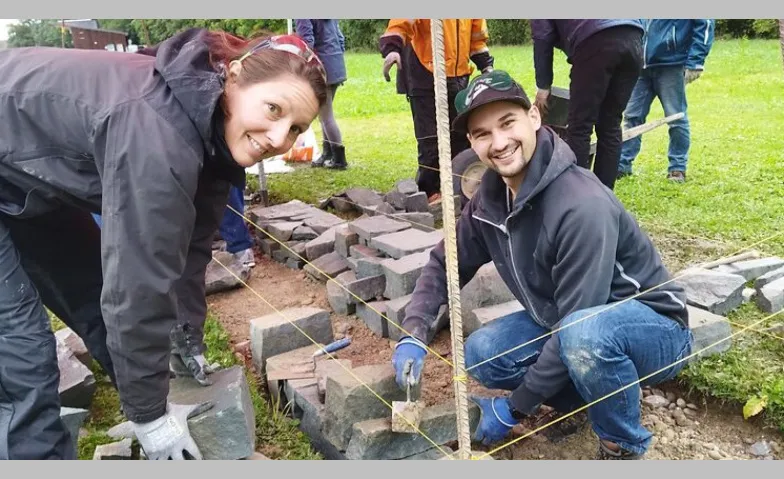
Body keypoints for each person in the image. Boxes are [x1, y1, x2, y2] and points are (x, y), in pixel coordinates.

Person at [0, 27, 327, 460]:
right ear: (233, 76)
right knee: (26, 355)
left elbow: (190, 253)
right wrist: (152, 419)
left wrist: (186, 331)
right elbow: (138, 285)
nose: (278, 138)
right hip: (17, 165)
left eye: (296, 129)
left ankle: (145, 402)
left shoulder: (208, 129)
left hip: (24, 176)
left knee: (92, 295)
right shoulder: (158, 135)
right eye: (273, 109)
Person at [391, 70, 693, 459]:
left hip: (654, 328)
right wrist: (413, 331)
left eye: (507, 123)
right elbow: (444, 263)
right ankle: (587, 402)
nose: (499, 143)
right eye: (483, 134)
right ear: (471, 142)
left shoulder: (581, 205)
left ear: (534, 117)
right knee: (484, 351)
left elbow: (579, 320)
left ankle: (622, 443)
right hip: (568, 319)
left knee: (585, 336)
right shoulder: (489, 200)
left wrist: (515, 408)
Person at [379, 19, 494, 203]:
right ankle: (429, 192)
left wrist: (486, 65)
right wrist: (392, 49)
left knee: (460, 134)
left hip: (459, 76)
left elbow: (476, 38)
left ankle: (461, 189)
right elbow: (401, 20)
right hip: (424, 73)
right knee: (430, 138)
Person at [530, 20, 644, 191]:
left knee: (580, 127)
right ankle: (605, 195)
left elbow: (542, 37)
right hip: (633, 38)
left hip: (596, 40)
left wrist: (543, 86)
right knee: (611, 125)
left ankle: (579, 194)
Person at [617, 19, 715, 183]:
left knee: (675, 118)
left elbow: (705, 22)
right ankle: (622, 165)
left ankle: (677, 168)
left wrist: (696, 61)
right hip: (640, 64)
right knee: (632, 117)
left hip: (672, 63)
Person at [295, 19, 349, 170]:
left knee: (326, 117)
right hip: (336, 64)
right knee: (324, 115)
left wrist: (299, 62)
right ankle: (328, 153)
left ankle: (339, 159)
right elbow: (340, 39)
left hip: (321, 68)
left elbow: (307, 42)